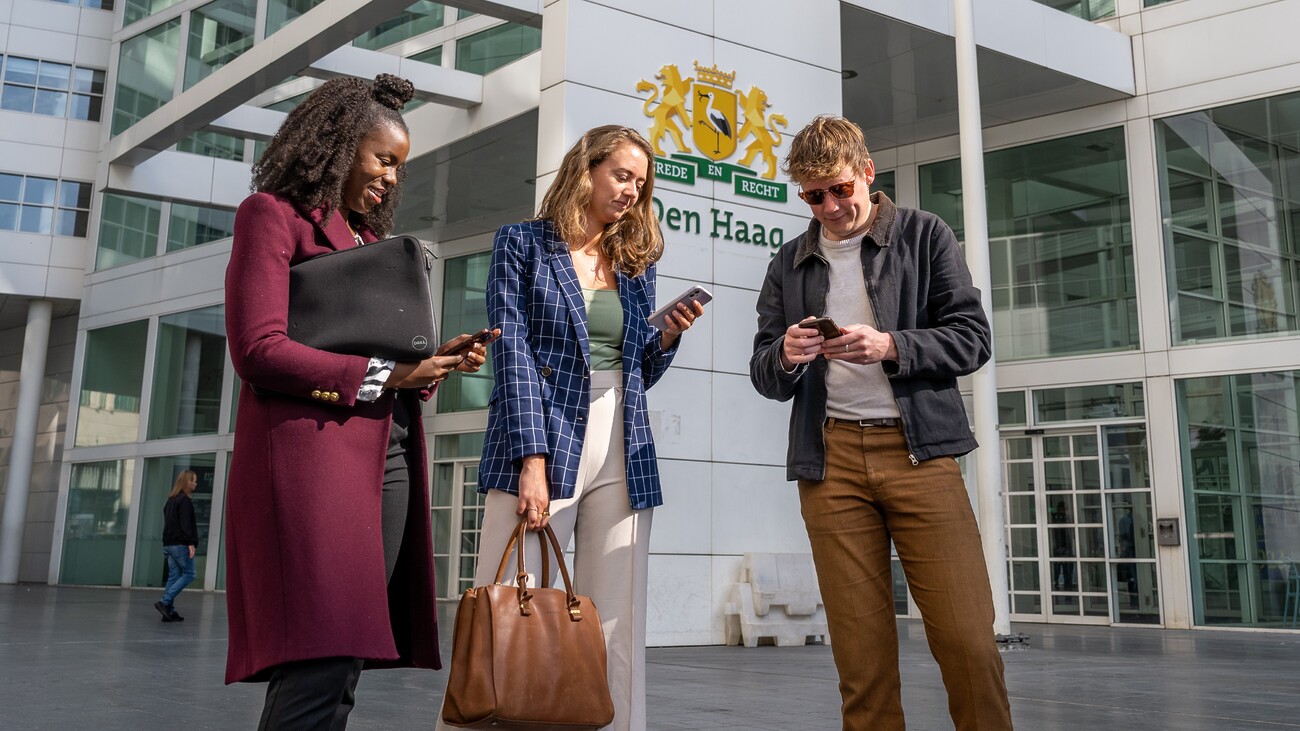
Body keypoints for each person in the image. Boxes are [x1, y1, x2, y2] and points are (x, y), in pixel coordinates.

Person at [223, 73, 492, 730]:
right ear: (341, 146)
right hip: (311, 460)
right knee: (322, 652)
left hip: (389, 456)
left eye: (401, 166)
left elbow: (386, 365)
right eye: (384, 159)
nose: (393, 178)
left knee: (340, 664)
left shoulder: (370, 244)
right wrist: (387, 375)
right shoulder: (271, 216)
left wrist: (430, 367)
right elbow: (257, 349)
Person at [748, 115, 1012, 730]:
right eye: (814, 196)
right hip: (830, 464)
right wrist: (785, 356)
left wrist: (890, 345)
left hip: (921, 455)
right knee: (861, 664)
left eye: (841, 189)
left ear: (868, 172)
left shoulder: (924, 235)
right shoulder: (789, 263)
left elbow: (973, 340)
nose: (831, 207)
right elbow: (764, 373)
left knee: (969, 642)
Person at [435, 125, 703, 731]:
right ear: (587, 170)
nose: (633, 190)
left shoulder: (636, 264)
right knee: (504, 606)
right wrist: (532, 459)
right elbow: (514, 354)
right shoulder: (522, 244)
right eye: (622, 175)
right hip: (544, 435)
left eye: (642, 181)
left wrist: (666, 335)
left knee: (616, 619)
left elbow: (636, 369)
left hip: (623, 442)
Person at [154, 469, 198, 622]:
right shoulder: (185, 501)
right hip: (180, 544)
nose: (196, 484)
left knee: (173, 577)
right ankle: (165, 602)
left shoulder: (170, 500)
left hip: (168, 544)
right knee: (190, 574)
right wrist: (191, 543)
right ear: (187, 482)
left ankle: (169, 611)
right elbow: (186, 524)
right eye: (193, 481)